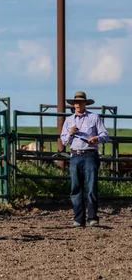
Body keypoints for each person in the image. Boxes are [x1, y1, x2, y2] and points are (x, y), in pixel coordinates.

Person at [59, 91, 109, 228]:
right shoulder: (69, 120)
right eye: (76, 102)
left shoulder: (94, 118)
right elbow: (64, 141)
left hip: (90, 154)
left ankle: (92, 218)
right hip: (75, 155)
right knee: (76, 188)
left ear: (85, 103)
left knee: (91, 187)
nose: (78, 104)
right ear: (74, 105)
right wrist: (70, 133)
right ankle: (78, 219)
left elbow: (105, 134)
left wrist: (96, 138)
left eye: (81, 102)